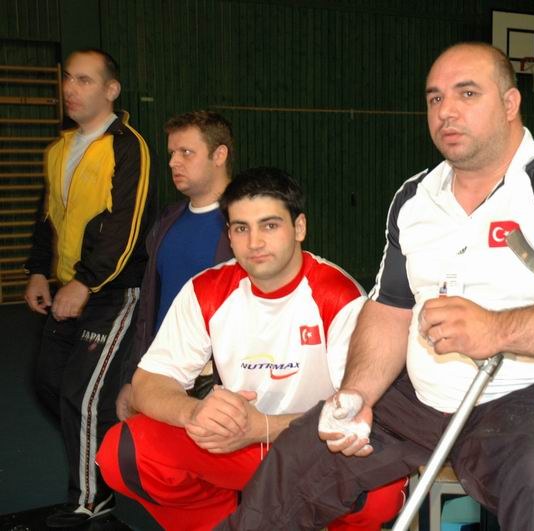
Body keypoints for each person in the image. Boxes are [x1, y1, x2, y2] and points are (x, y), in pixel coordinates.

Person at [220, 42, 534, 531]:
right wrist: (358, 394)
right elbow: (390, 309)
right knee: (300, 456)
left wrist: (497, 329)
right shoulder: (414, 198)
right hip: (425, 402)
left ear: (510, 104)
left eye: (467, 93)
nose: (446, 110)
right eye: (434, 98)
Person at [96, 167, 407, 531]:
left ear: (299, 228)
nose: (255, 242)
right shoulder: (206, 290)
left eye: (269, 225)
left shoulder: (340, 298)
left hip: (314, 448)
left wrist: (265, 427)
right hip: (236, 445)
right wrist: (194, 412)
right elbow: (149, 381)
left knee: (379, 490)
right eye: (241, 228)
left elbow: (359, 412)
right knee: (124, 452)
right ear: (229, 235)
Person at [22, 48, 152, 527]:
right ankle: (107, 451)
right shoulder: (60, 149)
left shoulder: (128, 146)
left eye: (83, 80)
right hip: (66, 288)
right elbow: (48, 217)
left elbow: (125, 227)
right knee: (49, 383)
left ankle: (93, 498)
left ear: (110, 90)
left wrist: (85, 281)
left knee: (84, 395)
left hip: (113, 293)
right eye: (67, 79)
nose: (69, 89)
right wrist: (39, 271)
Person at [116, 110, 235, 421]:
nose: (173, 162)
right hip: (163, 376)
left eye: (186, 152)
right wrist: (134, 377)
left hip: (219, 383)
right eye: (172, 153)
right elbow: (148, 309)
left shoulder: (247, 224)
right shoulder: (167, 221)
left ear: (219, 155)